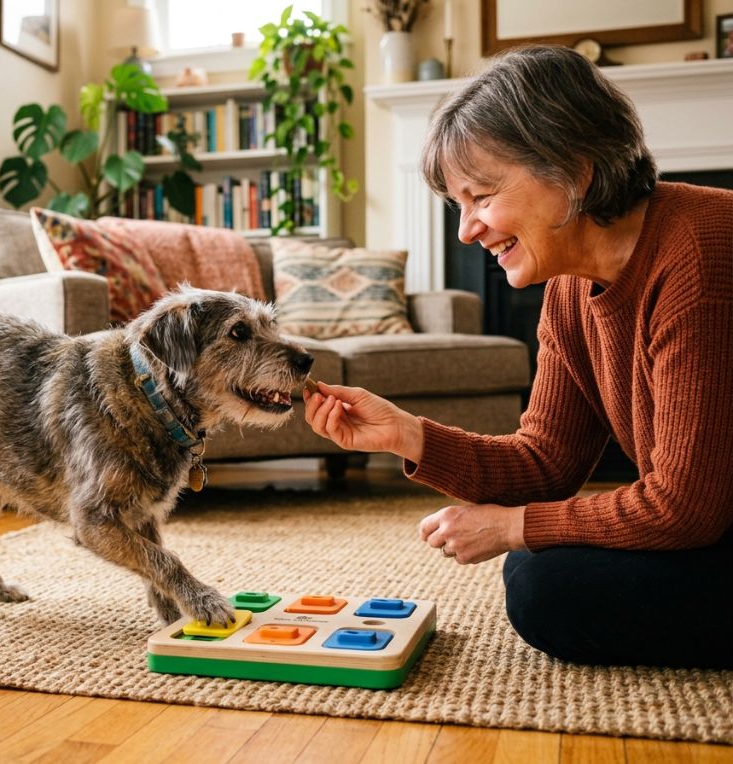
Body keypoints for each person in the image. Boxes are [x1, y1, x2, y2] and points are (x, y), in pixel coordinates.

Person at [304, 45, 733, 670]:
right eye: (458, 205)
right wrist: (408, 435)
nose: (466, 230)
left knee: (548, 585)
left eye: (479, 196)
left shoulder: (700, 254)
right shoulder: (568, 286)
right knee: (542, 572)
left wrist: (513, 527)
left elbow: (683, 508)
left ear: (574, 171)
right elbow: (547, 462)